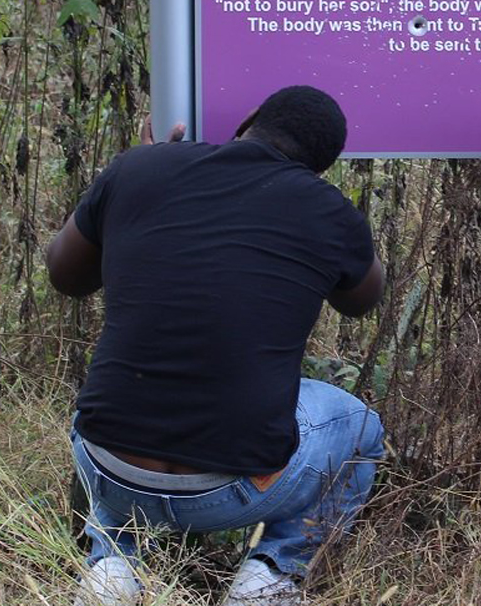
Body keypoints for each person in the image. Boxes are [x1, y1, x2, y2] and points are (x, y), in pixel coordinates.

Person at [46, 85, 386, 606]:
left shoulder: (139, 169)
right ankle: (275, 571)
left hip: (107, 469)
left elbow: (64, 274)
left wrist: (132, 173)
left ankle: (111, 560)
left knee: (118, 395)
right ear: (322, 167)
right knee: (360, 425)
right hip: (235, 491)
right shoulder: (329, 212)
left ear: (249, 116)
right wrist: (333, 220)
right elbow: (364, 299)